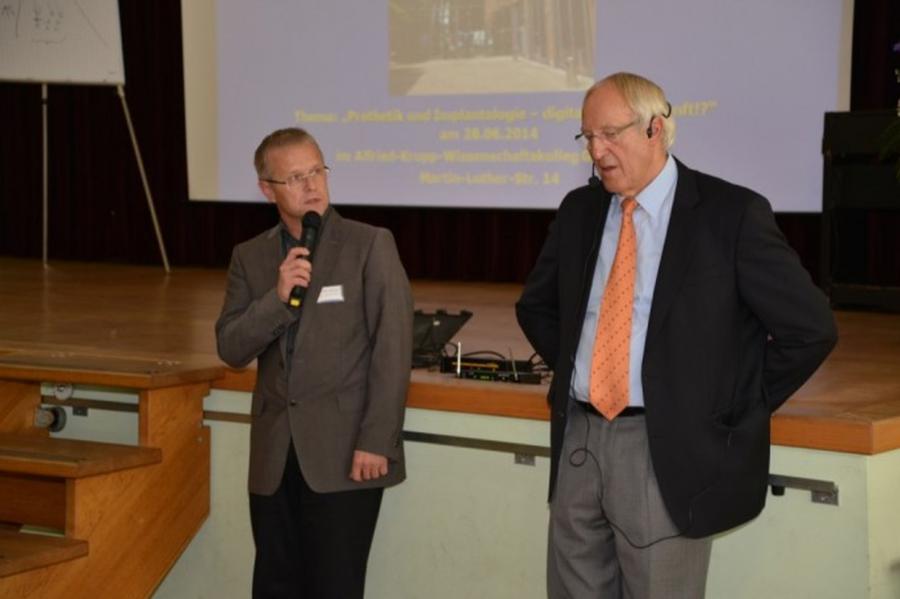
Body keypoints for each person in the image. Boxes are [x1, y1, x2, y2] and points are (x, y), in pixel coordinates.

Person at [516, 72, 837, 598]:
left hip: (665, 449)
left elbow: (811, 330)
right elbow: (536, 306)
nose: (596, 151)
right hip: (580, 438)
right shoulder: (580, 210)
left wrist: (732, 404)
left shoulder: (730, 215)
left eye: (609, 134)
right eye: (587, 137)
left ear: (655, 129)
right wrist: (584, 369)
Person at [215, 127, 413, 598]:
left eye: (317, 171)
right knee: (274, 587)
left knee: (335, 588)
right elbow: (231, 347)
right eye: (295, 178)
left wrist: (376, 440)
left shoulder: (370, 244)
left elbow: (393, 348)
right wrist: (277, 298)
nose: (312, 186)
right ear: (267, 190)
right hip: (273, 459)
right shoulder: (251, 257)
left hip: (345, 456)